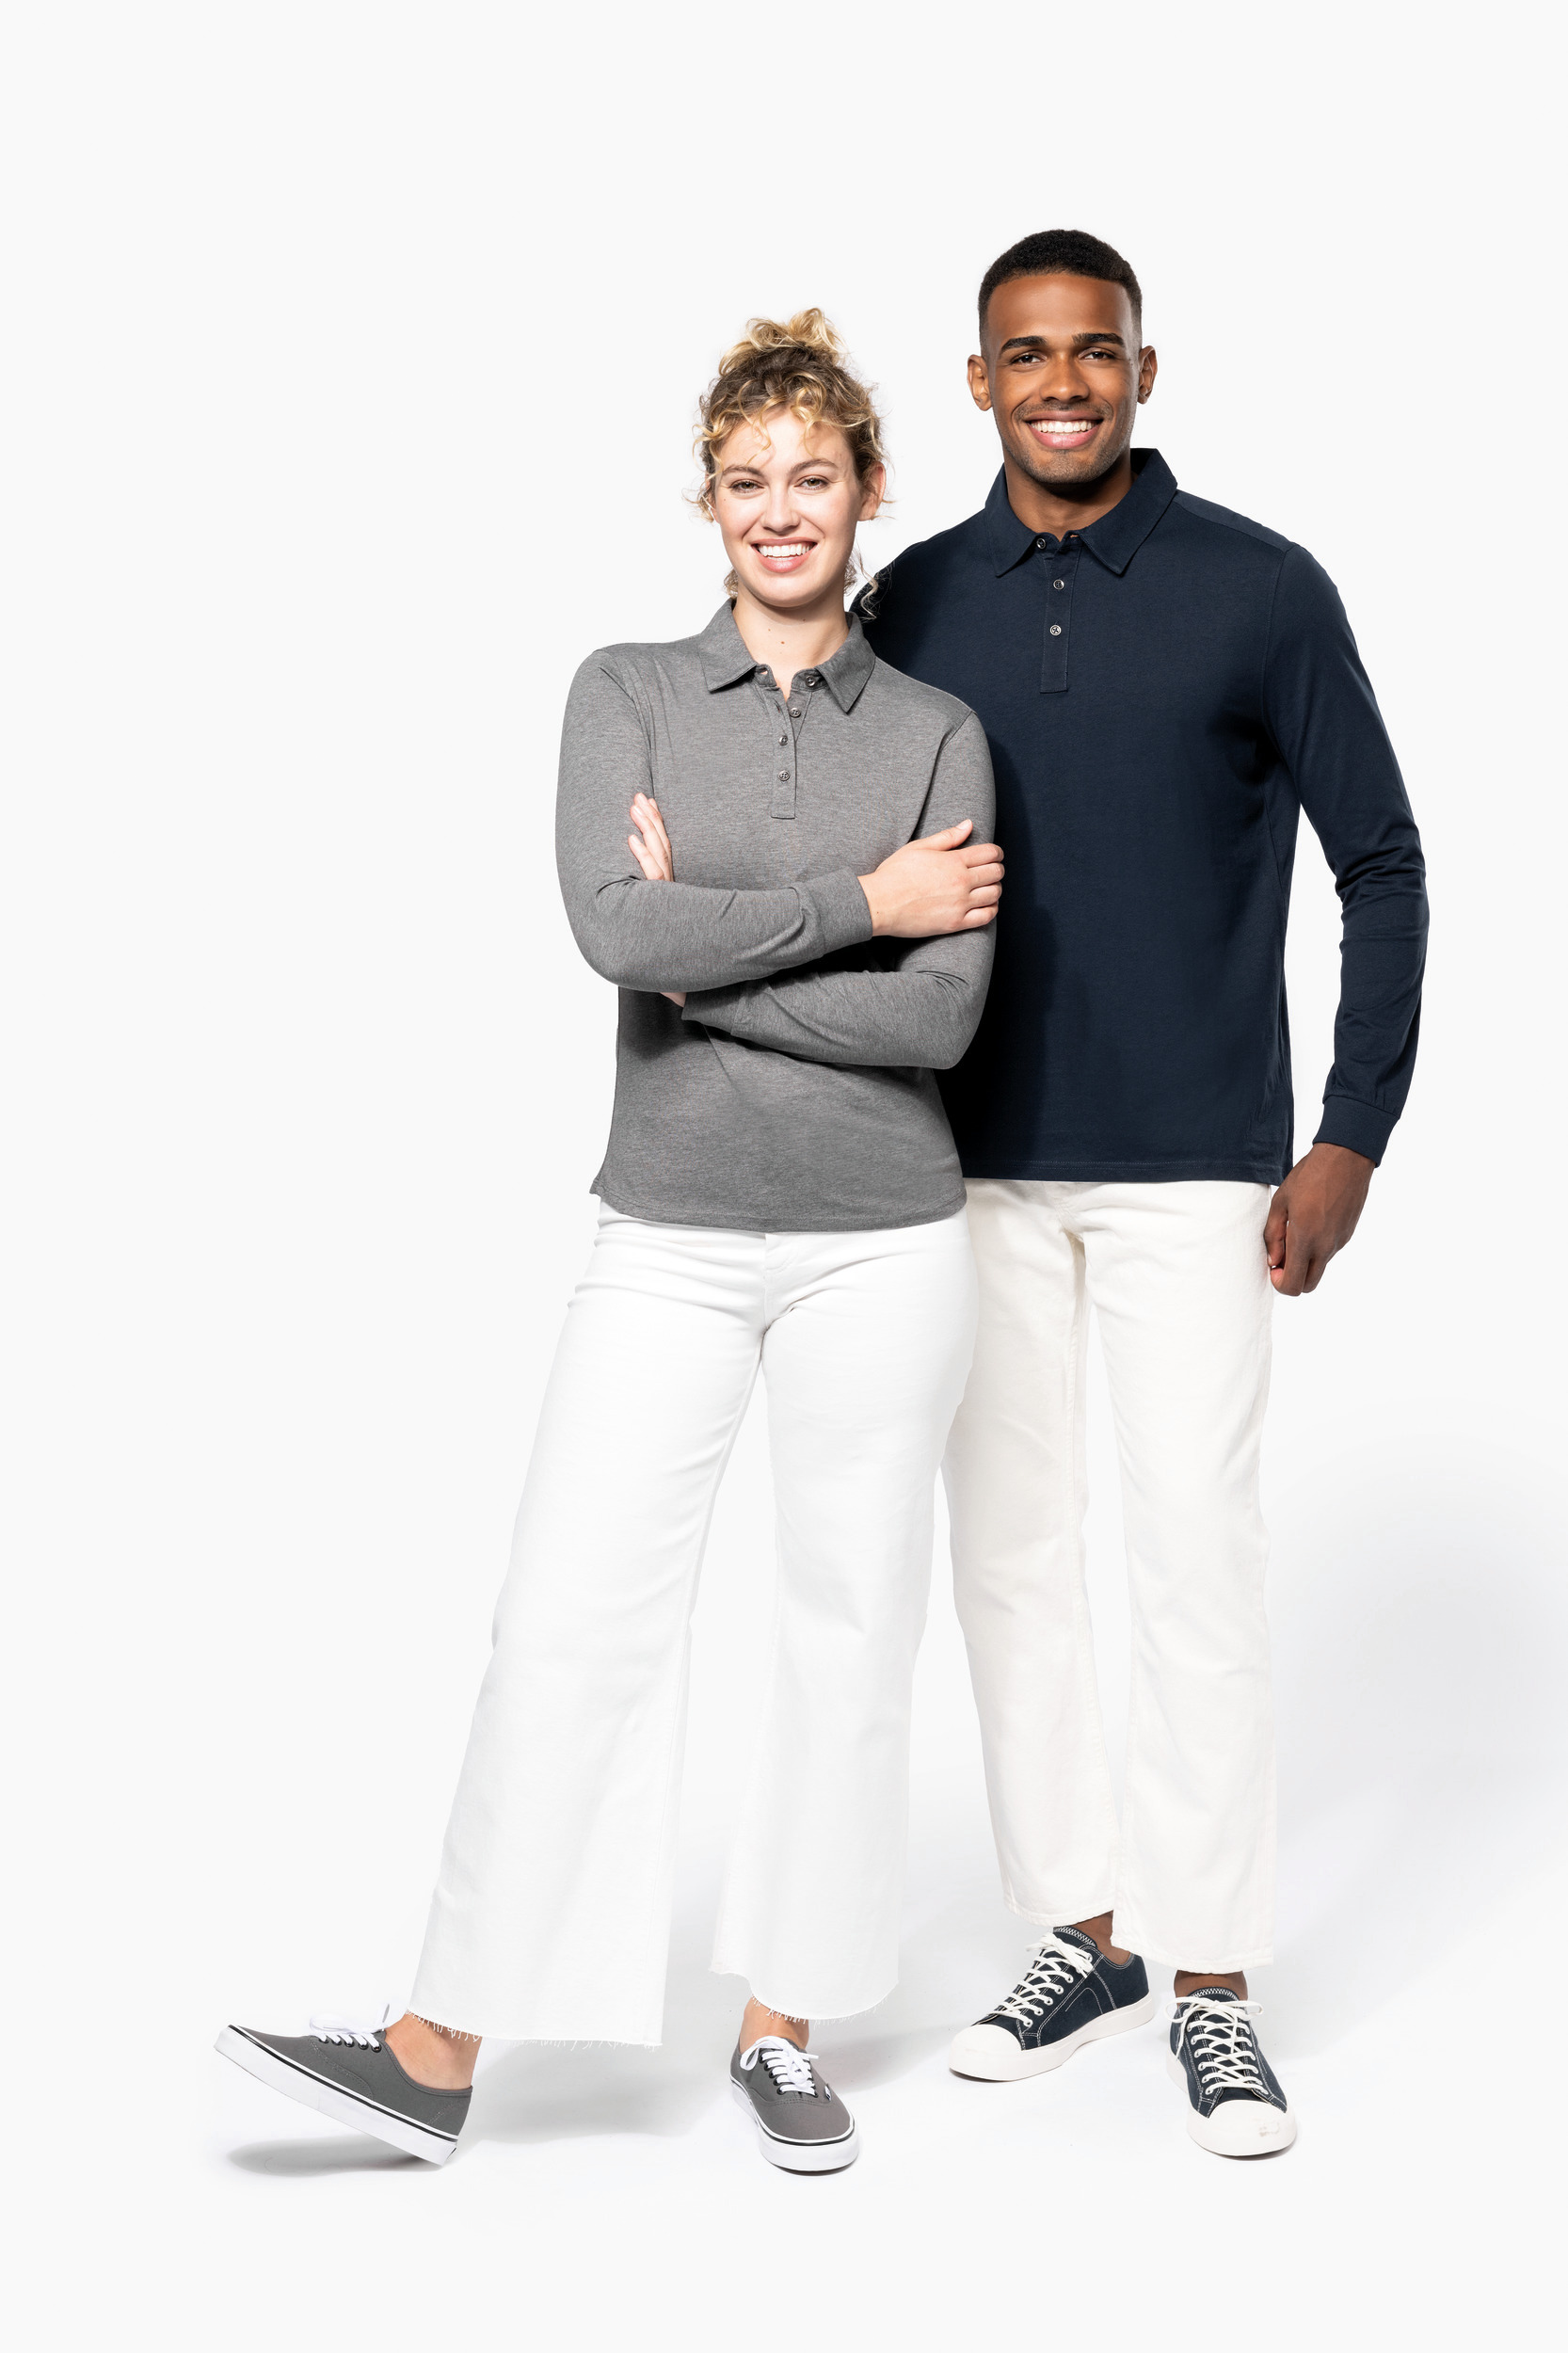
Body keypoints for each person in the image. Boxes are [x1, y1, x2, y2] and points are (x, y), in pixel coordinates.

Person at [217, 312, 1003, 2173]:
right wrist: (860, 901)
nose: (779, 509)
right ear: (708, 502)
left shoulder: (937, 731)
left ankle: (783, 2027)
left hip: (886, 1242)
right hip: (665, 1228)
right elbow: (608, 931)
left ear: (867, 493)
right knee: (567, 1618)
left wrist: (702, 954)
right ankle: (437, 2046)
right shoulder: (625, 691)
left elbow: (940, 1018)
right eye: (745, 480)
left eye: (812, 476)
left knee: (846, 1633)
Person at [858, 230, 1428, 2157]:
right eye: (1023, 354)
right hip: (961, 1164)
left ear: (1142, 371)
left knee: (1192, 1559)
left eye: (1091, 350)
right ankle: (1082, 1932)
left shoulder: (1260, 589)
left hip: (1195, 1162)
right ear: (976, 382)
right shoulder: (915, 596)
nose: (1060, 383)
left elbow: (1381, 862)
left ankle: (1211, 1983)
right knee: (1008, 1562)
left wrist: (1348, 1134)